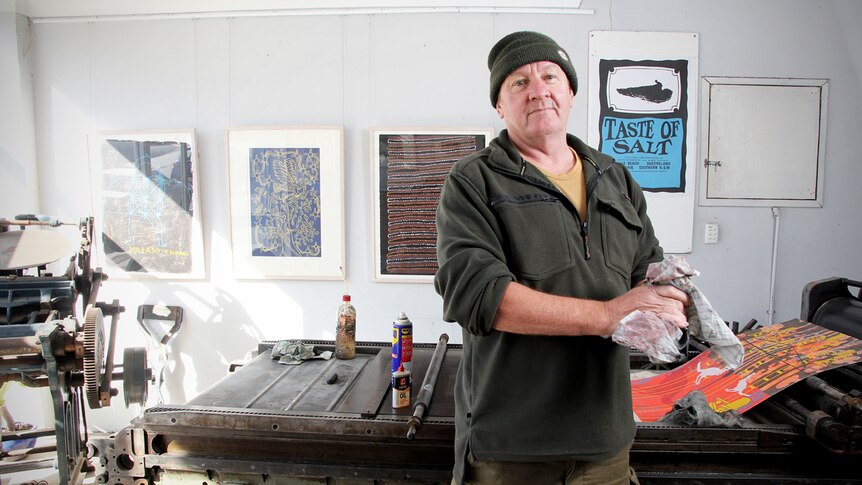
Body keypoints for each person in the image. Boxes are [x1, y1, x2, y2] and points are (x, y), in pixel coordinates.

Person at [434, 31, 691, 485]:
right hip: (512, 449)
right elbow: (480, 296)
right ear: (499, 104)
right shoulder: (473, 181)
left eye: (550, 75)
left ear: (569, 91)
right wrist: (610, 314)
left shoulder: (616, 179)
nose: (538, 89)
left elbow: (646, 280)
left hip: (606, 444)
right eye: (518, 82)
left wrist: (677, 302)